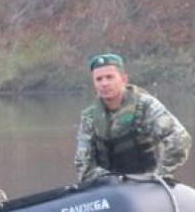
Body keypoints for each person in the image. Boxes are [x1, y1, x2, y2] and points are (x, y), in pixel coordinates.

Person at [75, 52, 191, 183]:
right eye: (99, 79)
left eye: (109, 77)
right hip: (111, 186)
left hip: (147, 182)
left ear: (123, 79)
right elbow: (83, 164)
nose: (104, 84)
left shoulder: (145, 106)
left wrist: (161, 174)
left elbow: (180, 139)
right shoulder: (89, 117)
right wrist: (112, 181)